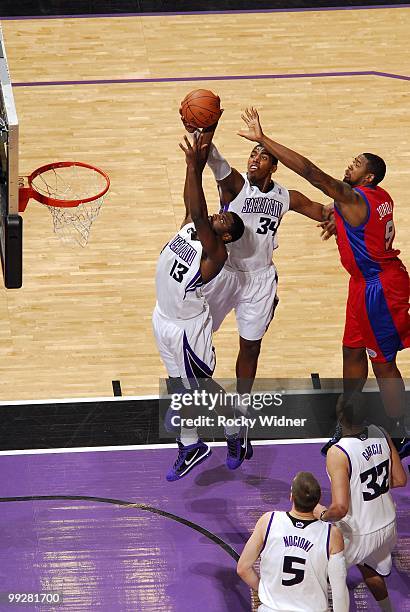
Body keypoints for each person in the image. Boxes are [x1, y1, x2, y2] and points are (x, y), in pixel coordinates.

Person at [237, 107, 410, 459]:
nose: (351, 165)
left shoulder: (354, 198)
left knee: (383, 363)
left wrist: (264, 139)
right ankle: (349, 423)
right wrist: (340, 223)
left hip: (380, 286)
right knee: (351, 349)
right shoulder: (377, 197)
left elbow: (313, 174)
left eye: (357, 163)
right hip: (362, 285)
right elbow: (351, 214)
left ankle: (403, 429)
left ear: (369, 176)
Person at [180, 110, 334, 459]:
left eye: (263, 156)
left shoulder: (286, 197)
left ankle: (241, 412)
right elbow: (214, 159)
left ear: (274, 166)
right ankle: (197, 398)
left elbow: (324, 210)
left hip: (260, 280)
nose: (255, 158)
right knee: (194, 334)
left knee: (250, 348)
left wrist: (336, 219)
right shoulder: (236, 185)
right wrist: (204, 129)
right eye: (253, 153)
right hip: (226, 272)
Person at [152, 132, 245, 481]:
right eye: (221, 215)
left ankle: (234, 427)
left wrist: (195, 165)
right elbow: (190, 203)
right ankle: (191, 446)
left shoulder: (216, 252)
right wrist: (192, 167)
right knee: (178, 384)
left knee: (200, 387)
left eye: (226, 222)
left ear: (225, 238)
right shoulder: (192, 229)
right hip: (163, 316)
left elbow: (197, 208)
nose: (222, 217)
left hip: (189, 329)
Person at [313, 393, 407, 610]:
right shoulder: (381, 433)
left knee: (319, 568)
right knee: (369, 569)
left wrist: (319, 513)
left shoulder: (338, 452)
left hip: (358, 533)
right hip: (388, 525)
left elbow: (340, 508)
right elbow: (400, 479)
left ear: (340, 416)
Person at [237, 471, 349, 612]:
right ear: (318, 500)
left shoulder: (269, 521)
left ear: (291, 497)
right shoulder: (332, 534)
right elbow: (339, 592)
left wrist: (266, 590)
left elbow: (243, 568)